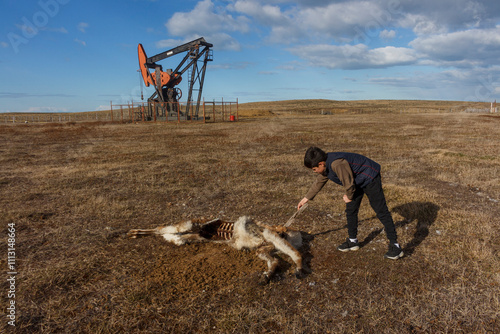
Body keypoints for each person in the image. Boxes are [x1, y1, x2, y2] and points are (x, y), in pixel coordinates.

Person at [297, 147, 403, 260]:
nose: (314, 172)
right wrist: (306, 198)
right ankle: (353, 241)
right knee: (351, 209)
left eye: (314, 169)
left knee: (380, 210)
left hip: (370, 176)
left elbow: (349, 184)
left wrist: (349, 197)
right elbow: (320, 181)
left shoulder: (337, 164)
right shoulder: (326, 167)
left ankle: (395, 246)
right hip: (356, 180)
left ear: (321, 164)